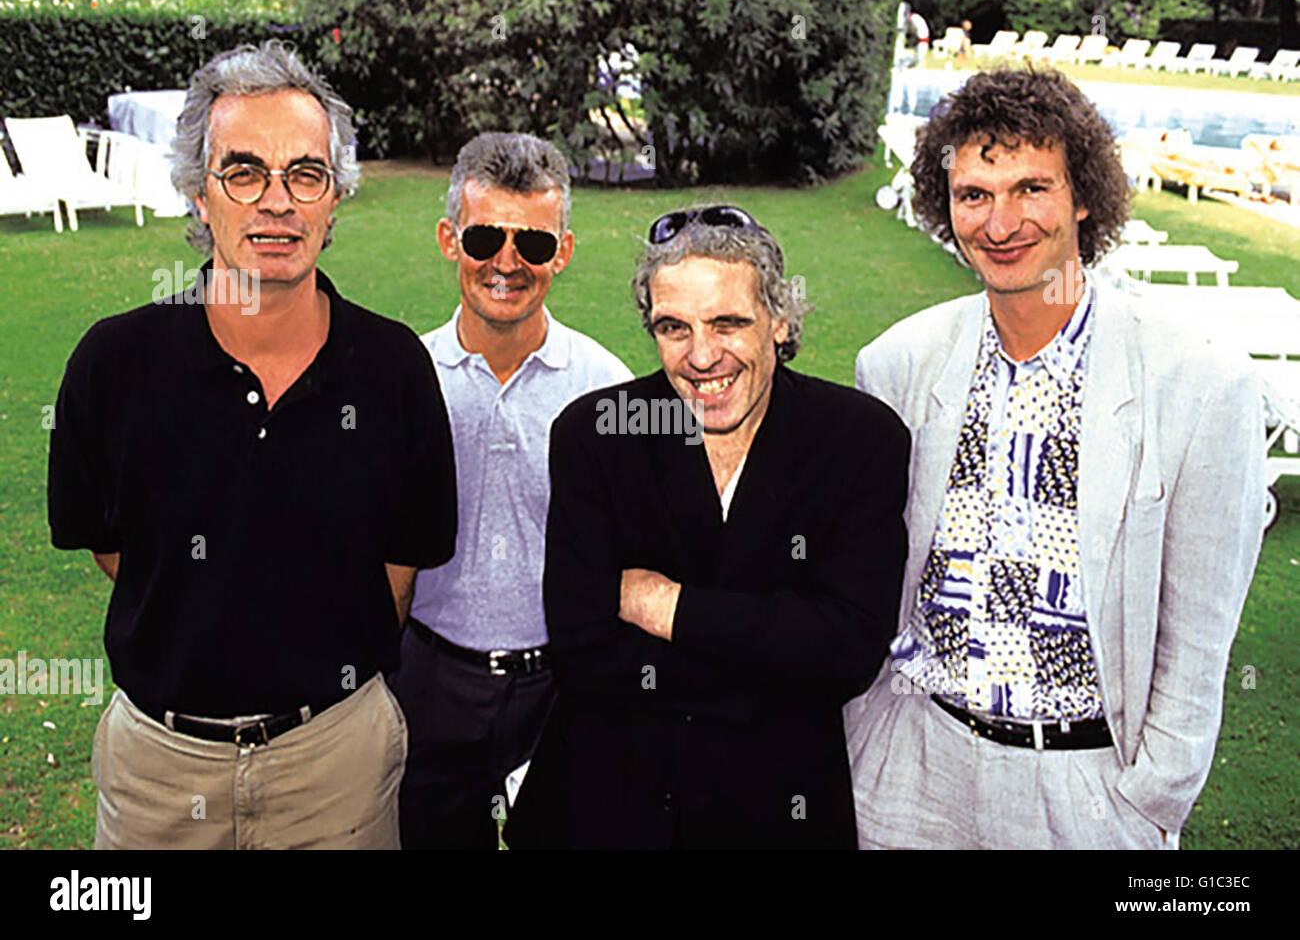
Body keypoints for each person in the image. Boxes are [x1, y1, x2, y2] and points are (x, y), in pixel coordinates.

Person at [47, 40, 457, 849]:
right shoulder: (112, 363)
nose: (277, 201)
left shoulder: (394, 369)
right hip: (158, 772)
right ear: (200, 194)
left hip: (335, 764)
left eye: (305, 174)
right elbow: (109, 547)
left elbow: (399, 569)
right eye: (243, 172)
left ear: (334, 198)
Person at [844, 68, 1266, 849]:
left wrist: (1149, 799)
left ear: (1083, 198)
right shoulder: (898, 363)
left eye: (1031, 188)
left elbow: (1201, 639)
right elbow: (870, 577)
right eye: (974, 194)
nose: (1000, 222)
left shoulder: (1203, 386)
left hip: (1088, 796)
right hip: (909, 777)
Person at [505, 205, 910, 849]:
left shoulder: (858, 441)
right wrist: (774, 659)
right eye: (674, 327)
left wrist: (668, 606)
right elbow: (584, 652)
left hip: (776, 816)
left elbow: (847, 651)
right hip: (605, 811)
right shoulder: (597, 434)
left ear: (779, 321)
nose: (700, 356)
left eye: (728, 323)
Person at [392, 133, 631, 850]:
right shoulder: (404, 380)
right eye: (485, 235)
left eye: (531, 243)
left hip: (563, 686)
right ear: (448, 238)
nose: (506, 261)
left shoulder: (607, 388)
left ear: (562, 250)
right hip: (428, 680)